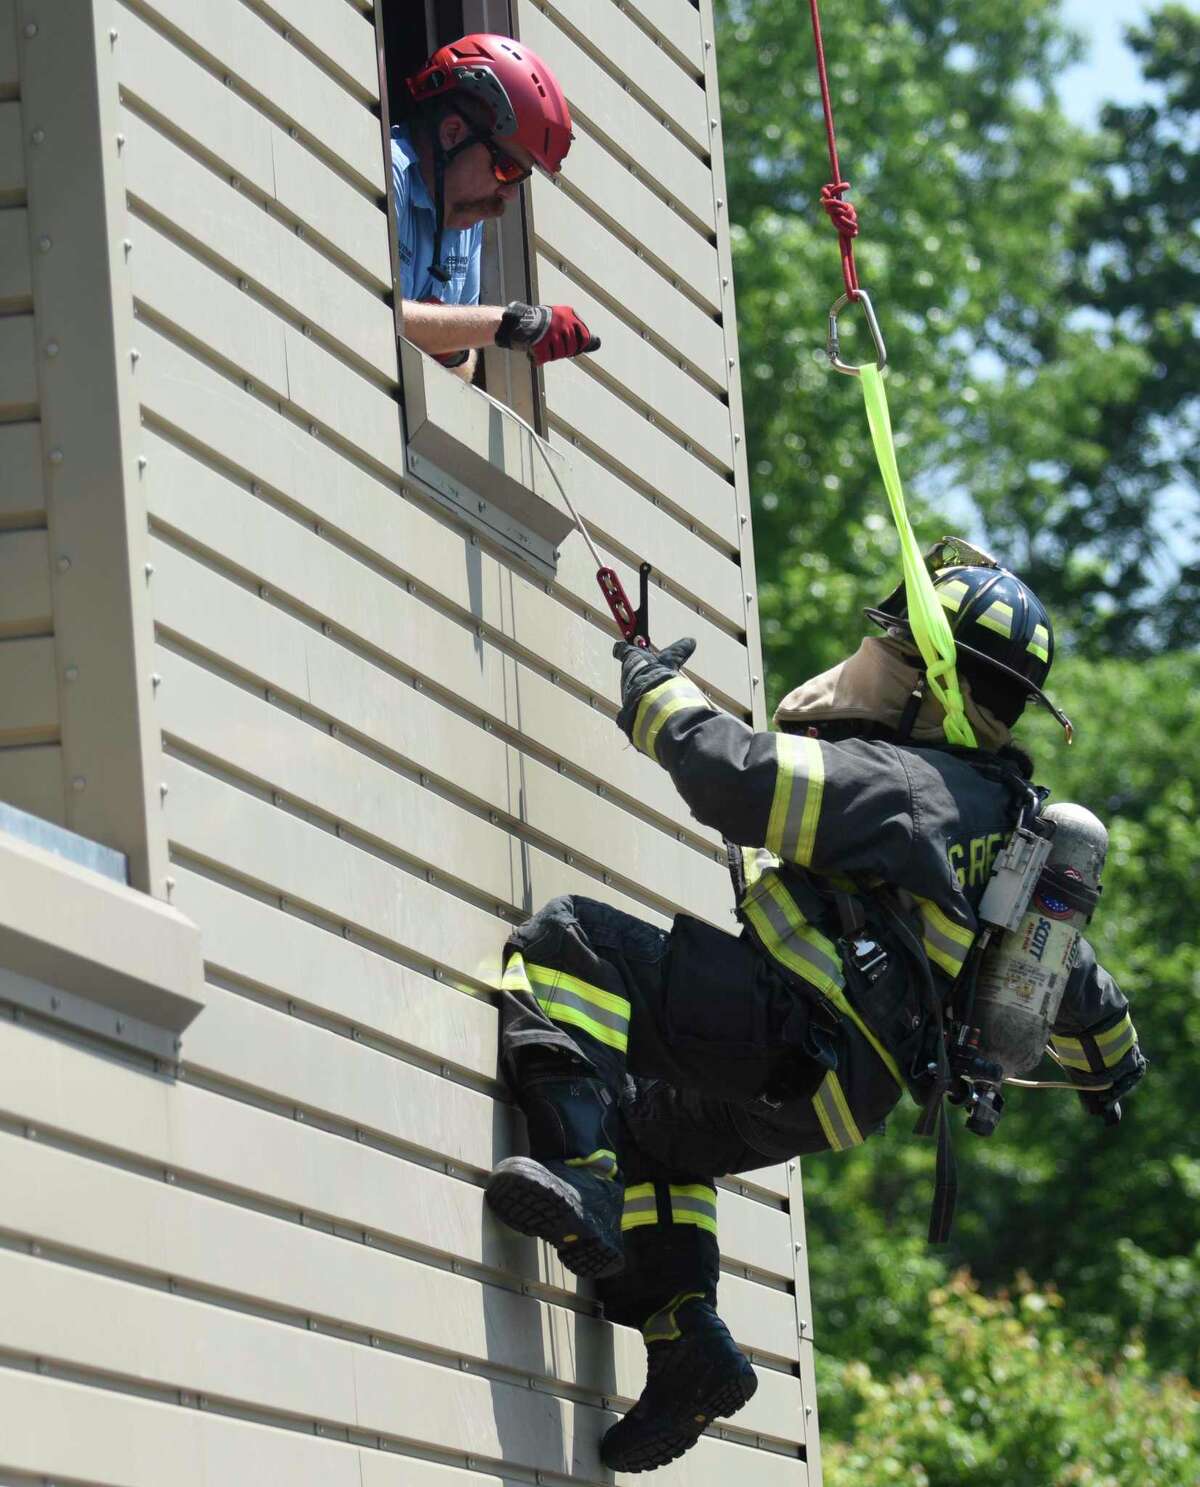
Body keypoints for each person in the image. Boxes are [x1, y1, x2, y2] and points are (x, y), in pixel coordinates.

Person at [483, 538, 1148, 1473]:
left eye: (893, 650)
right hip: (838, 1099)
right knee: (660, 1134)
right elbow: (1073, 980)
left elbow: (736, 778)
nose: (869, 661)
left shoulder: (912, 787)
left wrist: (651, 691)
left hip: (790, 1024)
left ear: (937, 685)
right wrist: (1111, 1066)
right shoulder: (1013, 832)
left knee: (570, 945)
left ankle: (582, 1180)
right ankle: (686, 1340)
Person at [395, 34, 598, 381]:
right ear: (453, 134)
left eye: (520, 178)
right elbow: (368, 310)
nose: (509, 194)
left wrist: (444, 335)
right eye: (506, 168)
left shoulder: (464, 221)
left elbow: (464, 367)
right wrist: (510, 324)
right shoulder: (389, 172)